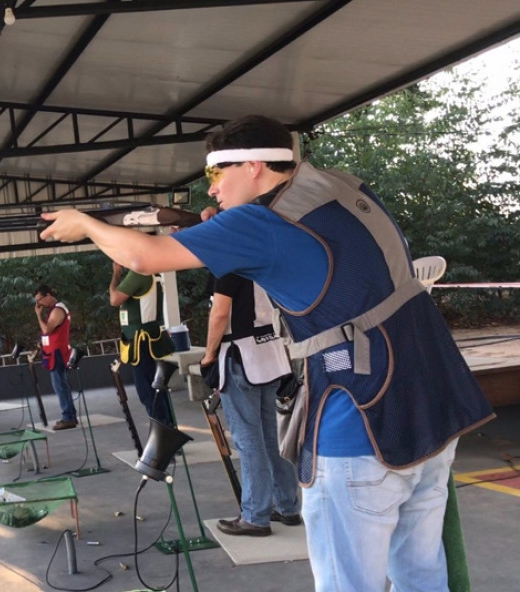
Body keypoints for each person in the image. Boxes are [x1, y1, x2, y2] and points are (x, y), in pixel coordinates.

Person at [39, 114, 494, 592]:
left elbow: (143, 257)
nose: (211, 190)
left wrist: (85, 224)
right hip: (433, 409)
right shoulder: (341, 189)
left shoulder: (260, 222)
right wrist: (221, 232)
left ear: (254, 166)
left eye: (216, 175)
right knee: (421, 577)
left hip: (361, 425)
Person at [201, 265, 301, 537]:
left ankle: (256, 515)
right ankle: (288, 506)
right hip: (269, 353)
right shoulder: (260, 259)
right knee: (269, 437)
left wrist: (209, 356)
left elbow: (220, 313)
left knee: (248, 440)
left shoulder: (227, 263)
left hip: (240, 356)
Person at [109, 261, 176, 427]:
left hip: (142, 343)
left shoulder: (138, 274)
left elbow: (114, 299)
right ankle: (168, 432)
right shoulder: (154, 273)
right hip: (152, 340)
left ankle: (162, 437)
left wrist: (116, 274)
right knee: (157, 390)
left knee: (148, 392)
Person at [33, 284, 78, 430]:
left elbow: (47, 329)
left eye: (40, 300)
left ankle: (68, 416)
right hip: (52, 351)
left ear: (48, 295)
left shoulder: (58, 310)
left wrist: (38, 315)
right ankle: (68, 414)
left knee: (60, 384)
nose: (39, 304)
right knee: (59, 384)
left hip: (58, 352)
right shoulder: (53, 310)